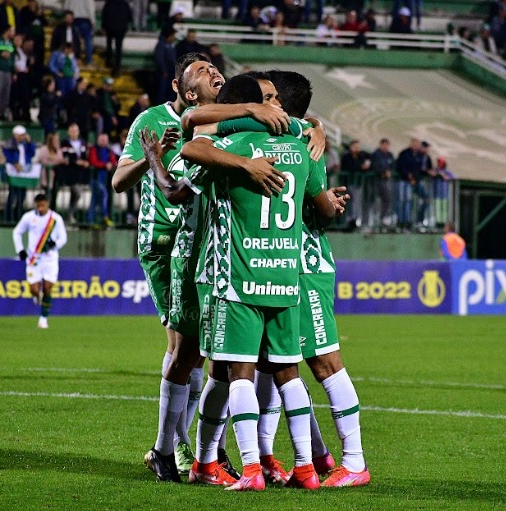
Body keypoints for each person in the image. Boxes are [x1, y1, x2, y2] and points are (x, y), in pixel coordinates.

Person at [180, 76, 339, 493]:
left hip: (237, 278)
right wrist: (316, 126)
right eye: (267, 100)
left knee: (237, 374)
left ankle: (250, 468)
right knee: (288, 374)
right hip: (286, 278)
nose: (274, 106)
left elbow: (189, 145)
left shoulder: (232, 148)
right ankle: (306, 468)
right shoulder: (301, 144)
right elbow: (321, 198)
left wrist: (241, 149)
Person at [267, 68, 369, 489]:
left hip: (306, 267)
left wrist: (327, 203)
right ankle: (306, 460)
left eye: (269, 96)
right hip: (281, 266)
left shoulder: (302, 144)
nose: (263, 102)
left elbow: (322, 210)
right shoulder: (297, 138)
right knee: (277, 365)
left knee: (325, 361)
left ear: (281, 106)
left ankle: (355, 462)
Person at [111, 52, 209, 483]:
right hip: (163, 242)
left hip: (200, 241)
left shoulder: (213, 123)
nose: (214, 77)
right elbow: (118, 181)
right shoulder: (150, 120)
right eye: (203, 72)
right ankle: (175, 449)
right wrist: (156, 155)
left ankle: (178, 448)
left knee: (198, 351)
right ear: (180, 88)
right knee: (181, 347)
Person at [12, 193, 68, 329]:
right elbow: (17, 232)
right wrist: (20, 249)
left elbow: (63, 238)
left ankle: (43, 319)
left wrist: (54, 244)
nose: (41, 208)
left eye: (43, 205)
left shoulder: (55, 219)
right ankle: (37, 296)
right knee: (34, 289)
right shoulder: (29, 217)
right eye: (38, 206)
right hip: (33, 258)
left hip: (49, 258)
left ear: (47, 204)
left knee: (48, 288)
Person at [3, 125, 37, 222]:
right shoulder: (9, 145)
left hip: (24, 173)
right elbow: (6, 155)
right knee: (12, 195)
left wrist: (30, 142)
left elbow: (32, 153)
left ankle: (18, 217)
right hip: (14, 173)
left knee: (22, 196)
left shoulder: (25, 145)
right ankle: (8, 218)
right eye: (20, 135)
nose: (21, 137)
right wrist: (14, 163)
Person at [59, 122, 89, 223]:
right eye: (71, 131)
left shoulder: (83, 143)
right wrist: (76, 162)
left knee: (75, 194)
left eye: (75, 131)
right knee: (77, 193)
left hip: (80, 174)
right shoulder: (64, 143)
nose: (73, 133)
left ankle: (70, 214)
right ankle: (70, 213)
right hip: (70, 173)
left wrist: (85, 162)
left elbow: (85, 156)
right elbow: (65, 157)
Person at [86, 133, 117, 227]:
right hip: (95, 178)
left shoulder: (109, 150)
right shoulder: (93, 149)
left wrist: (111, 164)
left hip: (106, 180)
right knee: (103, 194)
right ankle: (105, 216)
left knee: (95, 200)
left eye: (105, 139)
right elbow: (93, 161)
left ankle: (91, 220)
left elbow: (114, 161)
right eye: (101, 139)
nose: (103, 141)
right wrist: (104, 165)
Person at [102, 0, 132, 76]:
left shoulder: (109, 3)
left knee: (109, 45)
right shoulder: (125, 4)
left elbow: (104, 15)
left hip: (110, 28)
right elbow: (129, 17)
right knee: (118, 49)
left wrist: (104, 27)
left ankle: (109, 61)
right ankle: (117, 68)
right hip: (120, 29)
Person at [371, 138, 395, 231]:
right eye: (384, 145)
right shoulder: (376, 155)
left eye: (387, 145)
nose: (386, 147)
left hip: (386, 181)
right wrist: (383, 172)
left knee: (387, 198)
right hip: (376, 181)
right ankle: (374, 219)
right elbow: (374, 166)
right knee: (375, 200)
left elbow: (393, 165)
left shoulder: (389, 155)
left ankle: (383, 218)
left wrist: (389, 172)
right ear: (381, 145)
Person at [64, 0, 95, 66]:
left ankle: (74, 58)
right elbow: (90, 8)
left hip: (74, 18)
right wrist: (93, 21)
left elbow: (66, 6)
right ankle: (88, 60)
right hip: (85, 19)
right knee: (87, 40)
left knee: (74, 40)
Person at [154, 27, 177, 104]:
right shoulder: (161, 45)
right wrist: (164, 71)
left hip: (171, 73)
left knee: (171, 93)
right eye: (173, 35)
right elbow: (159, 59)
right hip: (163, 74)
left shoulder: (170, 45)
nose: (174, 37)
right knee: (161, 93)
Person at [37, 131, 65, 195]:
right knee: (47, 195)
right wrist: (55, 160)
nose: (56, 142)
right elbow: (42, 160)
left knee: (54, 196)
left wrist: (54, 159)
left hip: (56, 177)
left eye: (57, 140)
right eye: (55, 140)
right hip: (46, 176)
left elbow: (60, 160)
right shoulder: (44, 149)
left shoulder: (58, 150)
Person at [432, 156, 454, 227]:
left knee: (444, 208)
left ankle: (443, 222)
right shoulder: (435, 171)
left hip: (445, 194)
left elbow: (453, 177)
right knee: (437, 208)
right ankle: (438, 222)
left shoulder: (446, 172)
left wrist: (444, 176)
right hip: (437, 193)